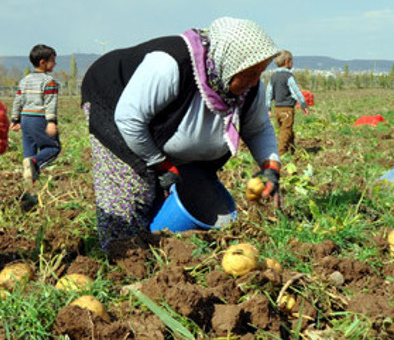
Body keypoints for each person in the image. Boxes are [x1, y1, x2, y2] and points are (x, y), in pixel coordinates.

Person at [80, 17, 282, 250]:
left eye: (261, 71)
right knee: (132, 188)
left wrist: (271, 168)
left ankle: (162, 242)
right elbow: (129, 119)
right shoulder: (169, 65)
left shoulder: (249, 88)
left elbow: (258, 129)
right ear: (229, 61)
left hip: (159, 131)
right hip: (116, 105)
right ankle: (122, 255)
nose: (255, 80)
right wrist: (161, 165)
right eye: (250, 72)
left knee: (182, 184)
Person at [10, 44, 62, 183]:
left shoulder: (24, 80)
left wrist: (15, 119)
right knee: (53, 148)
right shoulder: (49, 82)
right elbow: (50, 104)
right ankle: (34, 163)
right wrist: (51, 122)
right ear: (43, 62)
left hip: (26, 120)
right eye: (53, 60)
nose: (55, 64)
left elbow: (18, 101)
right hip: (39, 119)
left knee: (29, 153)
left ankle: (30, 183)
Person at [266, 50, 309, 156]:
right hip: (287, 109)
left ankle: (291, 150)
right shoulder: (288, 76)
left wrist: (268, 108)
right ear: (287, 61)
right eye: (292, 61)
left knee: (285, 130)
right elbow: (296, 92)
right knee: (286, 132)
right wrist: (303, 104)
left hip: (277, 109)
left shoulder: (273, 76)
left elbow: (269, 93)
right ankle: (280, 153)